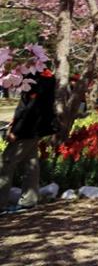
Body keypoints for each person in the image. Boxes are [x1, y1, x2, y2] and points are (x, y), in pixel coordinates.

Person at [0, 66, 57, 213]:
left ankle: (1, 202)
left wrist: (16, 132)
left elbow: (29, 109)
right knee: (30, 162)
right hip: (37, 128)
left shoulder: (35, 80)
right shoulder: (47, 77)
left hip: (27, 130)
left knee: (6, 162)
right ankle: (29, 200)